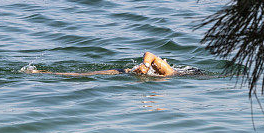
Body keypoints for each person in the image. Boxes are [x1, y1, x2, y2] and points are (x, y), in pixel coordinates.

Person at [24, 51, 176, 77]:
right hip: (121, 72)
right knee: (78, 76)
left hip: (124, 75)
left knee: (79, 76)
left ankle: (40, 72)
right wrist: (145, 65)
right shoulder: (169, 73)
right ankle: (39, 72)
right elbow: (150, 54)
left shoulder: (169, 76)